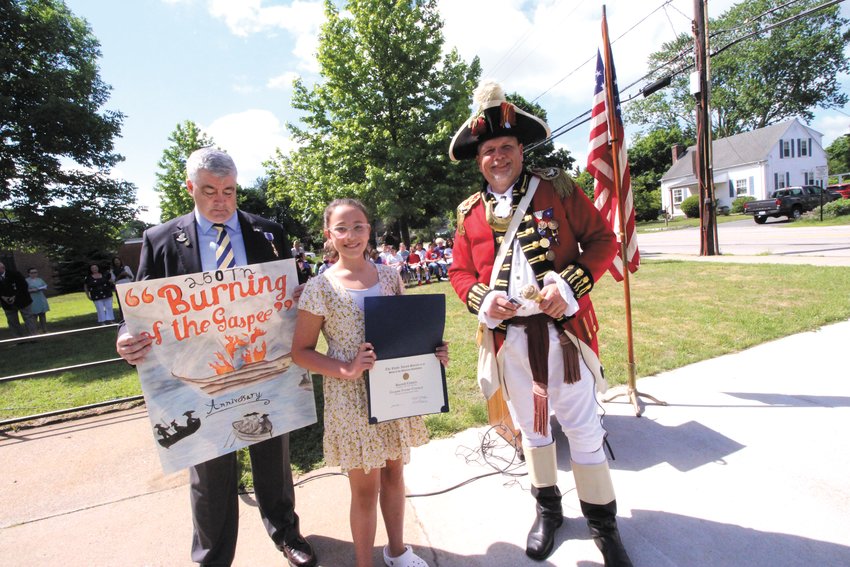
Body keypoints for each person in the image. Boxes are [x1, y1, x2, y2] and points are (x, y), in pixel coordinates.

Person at [447, 81, 632, 566]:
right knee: (533, 429)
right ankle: (548, 511)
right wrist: (482, 299)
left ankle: (603, 525)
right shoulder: (468, 213)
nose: (499, 157)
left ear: (520, 150)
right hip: (510, 341)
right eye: (489, 150)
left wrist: (567, 286)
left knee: (585, 429)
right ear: (479, 159)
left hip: (562, 335)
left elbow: (603, 241)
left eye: (507, 147)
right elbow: (459, 272)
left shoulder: (557, 188)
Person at [114, 148, 316, 567]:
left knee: (272, 457)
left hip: (264, 366)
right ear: (190, 188)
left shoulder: (268, 232)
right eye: (209, 191)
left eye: (229, 191)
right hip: (202, 372)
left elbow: (291, 292)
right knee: (209, 470)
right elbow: (140, 309)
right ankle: (212, 556)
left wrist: (298, 296)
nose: (221, 200)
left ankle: (286, 533)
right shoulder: (162, 239)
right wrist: (125, 337)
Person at [291, 198, 448, 567]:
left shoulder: (390, 276)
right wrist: (345, 368)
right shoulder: (320, 288)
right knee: (365, 488)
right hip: (351, 398)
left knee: (395, 472)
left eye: (358, 226)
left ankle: (397, 551)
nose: (351, 235)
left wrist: (432, 351)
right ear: (329, 234)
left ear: (369, 229)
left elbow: (406, 329)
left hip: (394, 392)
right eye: (341, 228)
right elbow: (301, 351)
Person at [0, 261, 37, 336]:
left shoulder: (15, 274)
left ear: (2, 268)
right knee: (12, 321)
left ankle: (33, 336)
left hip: (22, 300)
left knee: (28, 318)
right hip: (7, 303)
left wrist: (14, 296)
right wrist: (3, 297)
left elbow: (24, 286)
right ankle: (19, 339)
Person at [25, 268, 50, 333]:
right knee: (34, 316)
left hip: (41, 298)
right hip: (32, 299)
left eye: (35, 272)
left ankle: (45, 329)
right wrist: (32, 290)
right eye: (32, 273)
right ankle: (36, 331)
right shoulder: (26, 281)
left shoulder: (40, 279)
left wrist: (43, 288)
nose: (34, 274)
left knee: (42, 315)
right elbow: (24, 290)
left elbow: (45, 286)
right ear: (29, 273)